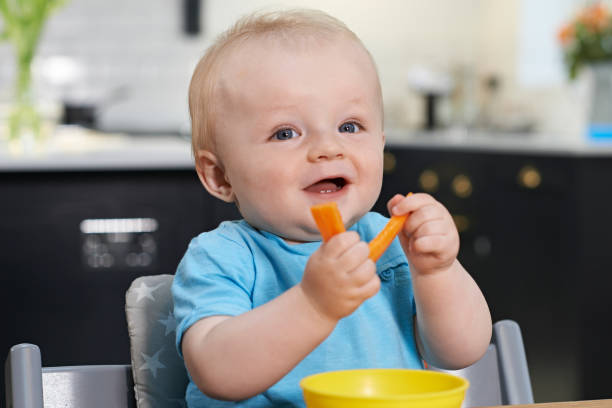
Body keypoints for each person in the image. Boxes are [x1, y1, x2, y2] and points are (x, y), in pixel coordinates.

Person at [172, 8, 492, 407]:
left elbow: (461, 351)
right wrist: (312, 304)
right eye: (285, 133)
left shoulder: (392, 244)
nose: (327, 148)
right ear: (220, 176)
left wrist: (438, 271)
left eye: (349, 126)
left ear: (381, 142)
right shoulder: (224, 257)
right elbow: (216, 371)